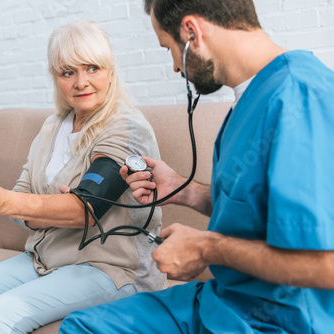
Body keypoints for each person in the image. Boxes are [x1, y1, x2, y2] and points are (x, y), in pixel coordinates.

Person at [60, 0, 334, 333]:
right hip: (224, 301)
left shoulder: (300, 98)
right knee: (82, 326)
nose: (176, 66)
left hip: (277, 320)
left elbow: (326, 265)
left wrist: (206, 247)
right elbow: (256, 213)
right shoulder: (251, 96)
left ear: (192, 32)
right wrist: (184, 191)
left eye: (170, 49)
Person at [0, 19, 166, 334]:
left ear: (110, 70)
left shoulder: (126, 127)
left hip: (112, 268)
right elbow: (23, 194)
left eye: (92, 68)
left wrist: (7, 202)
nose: (81, 82)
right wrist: (50, 206)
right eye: (68, 72)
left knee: (3, 312)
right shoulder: (52, 127)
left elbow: (87, 209)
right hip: (46, 258)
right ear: (55, 78)